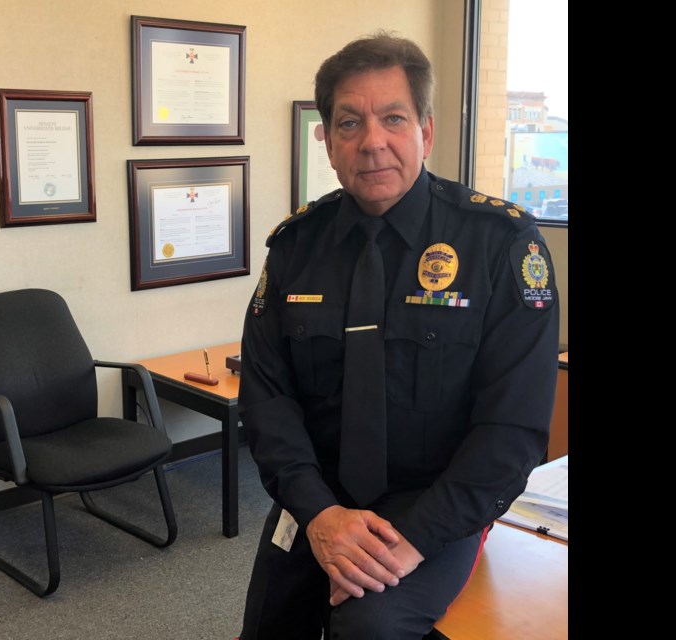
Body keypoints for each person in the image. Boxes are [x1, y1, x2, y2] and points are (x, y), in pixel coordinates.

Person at [237, 31, 559, 639]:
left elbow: (511, 430)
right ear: (328, 142)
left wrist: (413, 538)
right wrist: (319, 514)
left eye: (393, 118)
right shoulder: (296, 247)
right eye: (349, 123)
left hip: (436, 504)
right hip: (320, 499)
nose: (372, 143)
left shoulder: (500, 245)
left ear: (426, 132)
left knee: (369, 626)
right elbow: (266, 399)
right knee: (270, 625)